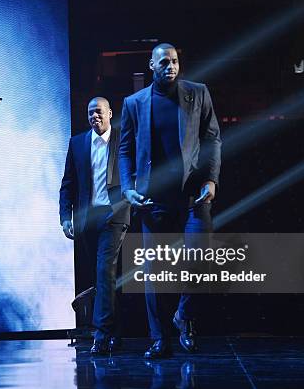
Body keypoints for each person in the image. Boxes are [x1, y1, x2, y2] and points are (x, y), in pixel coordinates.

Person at [119, 43, 222, 358]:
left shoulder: (198, 93)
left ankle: (183, 317)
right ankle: (158, 338)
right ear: (152, 65)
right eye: (164, 62)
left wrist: (211, 179)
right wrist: (127, 187)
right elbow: (125, 150)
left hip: (193, 196)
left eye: (175, 61)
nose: (171, 67)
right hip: (154, 200)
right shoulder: (134, 103)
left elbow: (213, 137)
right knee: (155, 274)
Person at [60, 97, 130, 355]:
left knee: (104, 272)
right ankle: (115, 332)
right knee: (104, 278)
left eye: (99, 112)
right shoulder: (77, 143)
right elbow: (68, 184)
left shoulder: (123, 139)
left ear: (110, 113)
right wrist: (65, 217)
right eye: (90, 113)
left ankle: (101, 335)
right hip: (88, 219)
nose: (94, 116)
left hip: (114, 215)